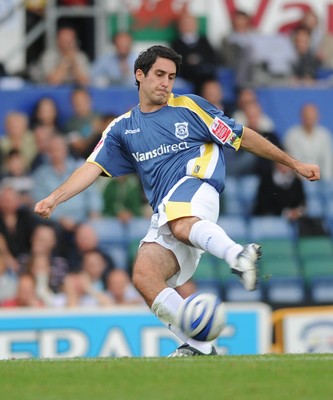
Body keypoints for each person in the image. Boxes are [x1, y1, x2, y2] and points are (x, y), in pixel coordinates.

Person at [34, 45, 320, 357]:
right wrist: (54, 197)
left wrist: (293, 164)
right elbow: (91, 168)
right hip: (168, 212)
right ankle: (199, 345)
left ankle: (239, 255)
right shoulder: (122, 128)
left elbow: (242, 136)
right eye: (159, 74)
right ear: (139, 75)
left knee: (180, 218)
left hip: (198, 187)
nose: (166, 82)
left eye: (171, 77)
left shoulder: (190, 108)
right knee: (144, 276)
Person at [283, 103, 333, 180]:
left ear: (318, 117)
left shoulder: (325, 135)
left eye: (312, 116)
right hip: (299, 178)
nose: (309, 119)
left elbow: (327, 160)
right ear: (301, 117)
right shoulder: (292, 135)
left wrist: (327, 179)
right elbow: (293, 161)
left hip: (321, 177)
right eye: (307, 116)